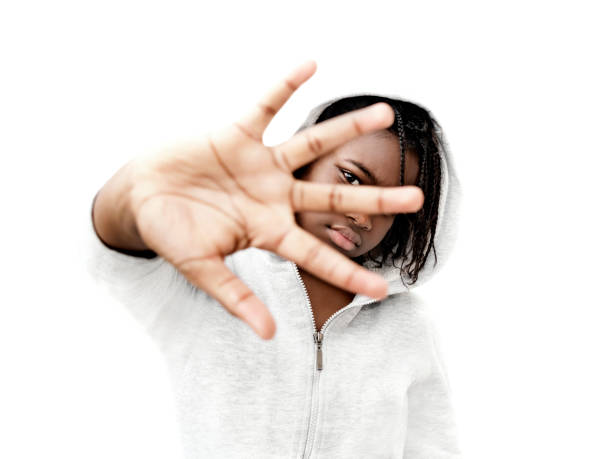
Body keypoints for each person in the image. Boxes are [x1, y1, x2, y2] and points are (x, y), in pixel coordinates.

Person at [85, 61, 462, 458]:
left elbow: (432, 448)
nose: (362, 215)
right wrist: (146, 184)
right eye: (351, 178)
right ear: (304, 161)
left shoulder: (410, 326)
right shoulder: (213, 273)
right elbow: (113, 248)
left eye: (391, 205)